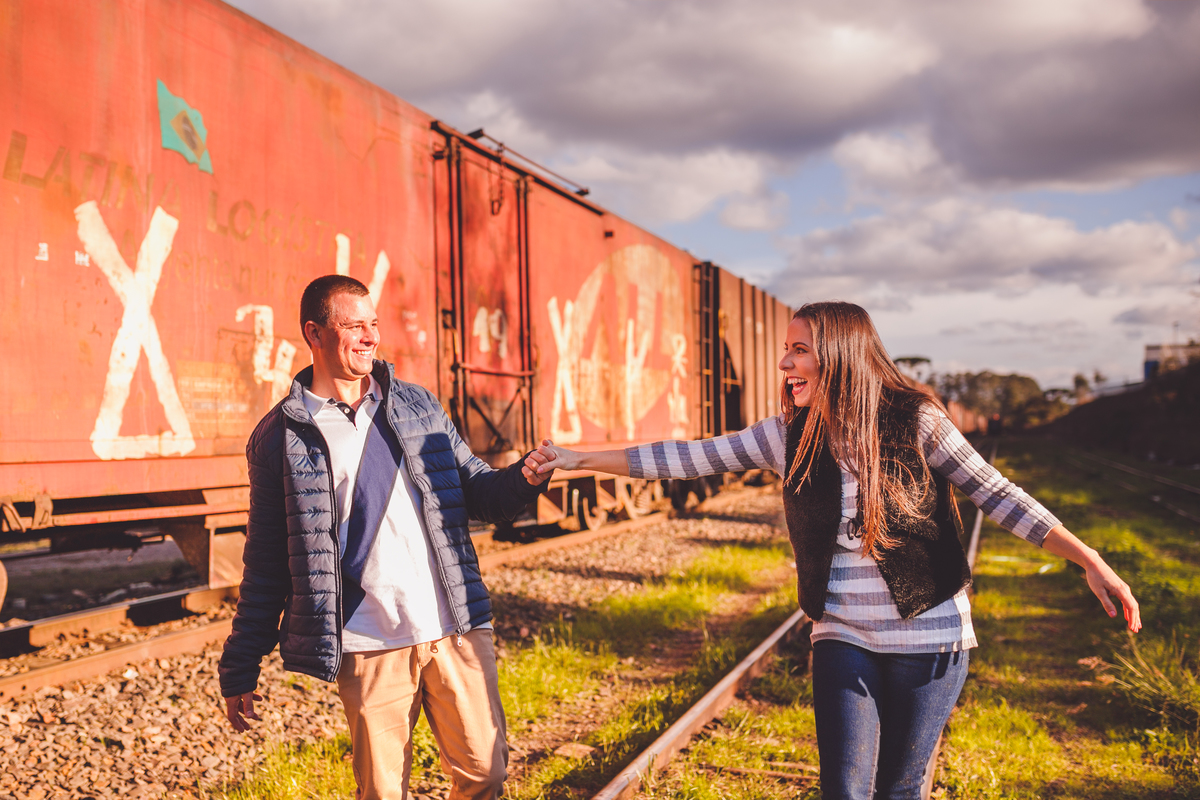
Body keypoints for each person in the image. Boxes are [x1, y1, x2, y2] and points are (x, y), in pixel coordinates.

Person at [525, 301, 1140, 800]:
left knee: (901, 789)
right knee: (843, 790)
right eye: (786, 349)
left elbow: (997, 495)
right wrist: (577, 458)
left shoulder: (916, 421)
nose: (785, 363)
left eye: (799, 350)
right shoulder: (786, 436)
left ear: (839, 356)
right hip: (842, 634)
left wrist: (1090, 560)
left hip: (930, 636)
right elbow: (682, 457)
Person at [219, 275, 552, 800]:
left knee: (485, 776)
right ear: (315, 333)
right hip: (370, 645)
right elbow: (265, 562)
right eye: (355, 326)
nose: (371, 337)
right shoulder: (281, 436)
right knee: (382, 792)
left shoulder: (418, 406)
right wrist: (241, 663)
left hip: (454, 628)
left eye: (373, 324)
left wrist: (526, 477)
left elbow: (481, 495)